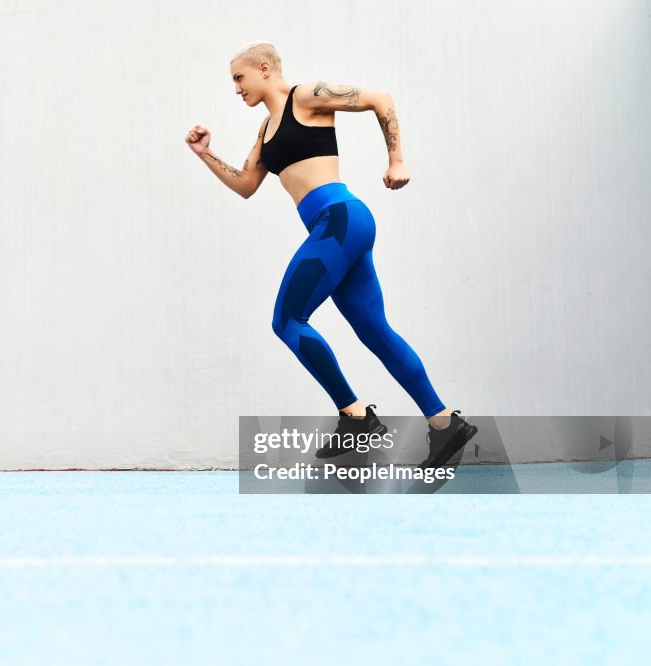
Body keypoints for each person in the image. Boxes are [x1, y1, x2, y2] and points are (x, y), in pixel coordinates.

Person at [184, 41, 477, 468]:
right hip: (339, 227)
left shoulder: (306, 97)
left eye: (238, 78)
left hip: (338, 219)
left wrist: (396, 159)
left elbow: (380, 99)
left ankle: (354, 416)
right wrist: (205, 153)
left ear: (264, 69)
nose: (235, 89)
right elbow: (247, 185)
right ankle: (443, 423)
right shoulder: (264, 132)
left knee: (286, 320)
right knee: (375, 331)